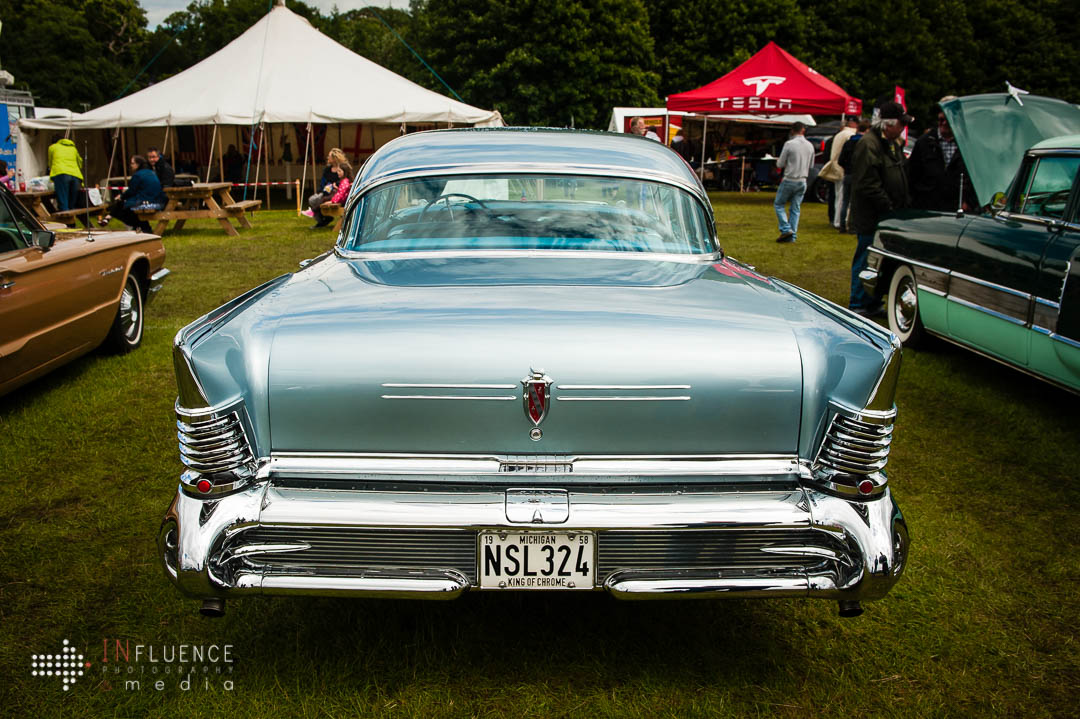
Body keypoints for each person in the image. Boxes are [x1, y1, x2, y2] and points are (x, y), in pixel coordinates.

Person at [848, 102, 912, 316]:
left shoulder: (890, 143)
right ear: (889, 124)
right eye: (900, 124)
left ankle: (872, 301)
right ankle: (858, 303)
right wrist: (888, 206)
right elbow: (868, 184)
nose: (903, 128)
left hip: (884, 214)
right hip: (872, 214)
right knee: (866, 256)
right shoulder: (870, 144)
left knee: (879, 259)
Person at [907, 99, 977, 212]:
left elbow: (976, 178)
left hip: (957, 211)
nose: (943, 123)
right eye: (941, 119)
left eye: (947, 120)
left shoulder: (968, 145)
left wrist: (970, 203)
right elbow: (912, 177)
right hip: (927, 210)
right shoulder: (924, 143)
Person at [99, 155, 167, 233]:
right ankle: (142, 227)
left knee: (122, 207)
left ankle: (140, 227)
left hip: (147, 201)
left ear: (138, 164)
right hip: (158, 201)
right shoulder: (151, 172)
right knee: (123, 205)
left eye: (132, 163)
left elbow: (131, 191)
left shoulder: (137, 175)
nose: (131, 165)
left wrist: (121, 196)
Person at [773, 121, 815, 243]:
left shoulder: (789, 144)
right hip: (802, 180)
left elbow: (780, 163)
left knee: (779, 204)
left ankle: (786, 229)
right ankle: (793, 234)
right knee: (795, 208)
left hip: (790, 178)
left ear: (792, 130)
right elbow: (811, 165)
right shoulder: (810, 145)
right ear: (803, 130)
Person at [837, 119, 870, 233]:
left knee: (845, 201)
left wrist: (846, 168)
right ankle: (852, 226)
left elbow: (840, 160)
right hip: (859, 175)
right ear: (867, 130)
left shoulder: (848, 142)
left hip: (848, 173)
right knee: (855, 202)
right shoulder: (865, 143)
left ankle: (842, 225)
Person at [829, 118, 859, 228]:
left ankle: (837, 220)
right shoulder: (850, 135)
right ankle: (841, 221)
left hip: (837, 167)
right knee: (844, 199)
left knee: (839, 197)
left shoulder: (840, 134)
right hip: (844, 170)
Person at [303, 148, 348, 218]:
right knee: (313, 199)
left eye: (329, 156)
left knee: (323, 199)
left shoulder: (343, 168)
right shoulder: (327, 170)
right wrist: (322, 190)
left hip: (337, 192)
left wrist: (336, 185)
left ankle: (314, 212)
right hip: (326, 190)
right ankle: (320, 217)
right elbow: (323, 182)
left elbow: (345, 182)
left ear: (334, 158)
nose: (327, 158)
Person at [47, 134, 84, 212]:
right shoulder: (73, 148)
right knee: (72, 200)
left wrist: (50, 171)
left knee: (63, 198)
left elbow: (50, 162)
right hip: (75, 174)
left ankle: (65, 219)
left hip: (61, 173)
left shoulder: (52, 147)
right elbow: (80, 162)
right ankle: (72, 220)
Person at [311, 161, 353, 228]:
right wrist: (337, 188)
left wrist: (332, 201)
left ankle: (316, 212)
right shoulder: (345, 181)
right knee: (324, 200)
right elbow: (342, 191)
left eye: (339, 171)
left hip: (341, 202)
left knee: (322, 202)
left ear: (344, 172)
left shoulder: (344, 181)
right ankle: (316, 211)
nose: (337, 172)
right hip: (341, 201)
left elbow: (340, 194)